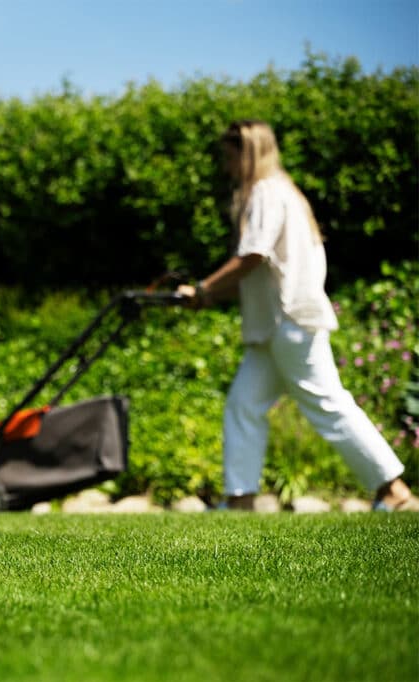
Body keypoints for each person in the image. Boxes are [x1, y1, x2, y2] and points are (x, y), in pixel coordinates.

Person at [177, 119, 417, 512]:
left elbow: (253, 255)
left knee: (329, 406)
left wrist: (203, 288)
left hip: (290, 322)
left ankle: (394, 491)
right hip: (272, 328)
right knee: (243, 405)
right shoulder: (283, 193)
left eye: (230, 156)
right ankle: (240, 500)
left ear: (247, 151)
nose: (227, 166)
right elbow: (263, 270)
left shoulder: (267, 193)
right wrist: (210, 297)